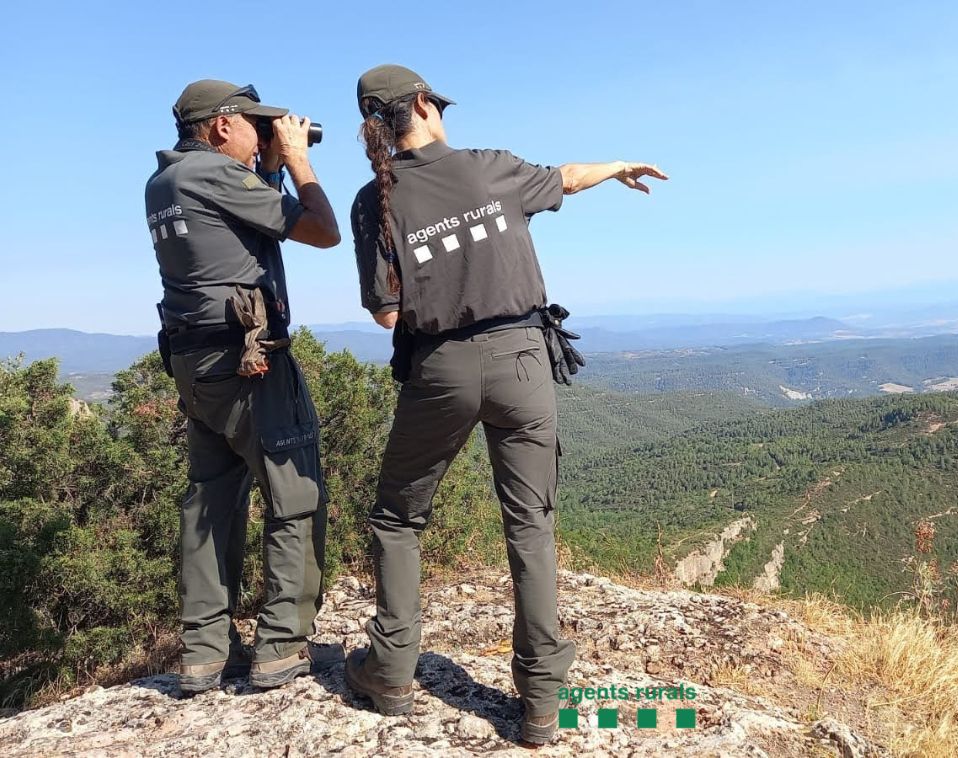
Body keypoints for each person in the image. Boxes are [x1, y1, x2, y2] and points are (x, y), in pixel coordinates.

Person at [343, 64, 666, 744]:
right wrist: (620, 166)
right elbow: (569, 176)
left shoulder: (375, 200)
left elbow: (385, 315)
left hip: (441, 367)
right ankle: (542, 701)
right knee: (530, 523)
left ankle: (393, 672)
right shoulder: (491, 167)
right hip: (523, 358)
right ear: (425, 105)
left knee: (399, 518)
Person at [144, 79, 341, 694]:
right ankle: (281, 645)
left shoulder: (167, 181)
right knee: (294, 491)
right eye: (257, 125)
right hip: (250, 362)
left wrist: (271, 166)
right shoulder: (212, 174)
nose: (266, 136)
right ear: (223, 125)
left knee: (211, 498)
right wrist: (300, 162)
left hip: (194, 364)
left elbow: (247, 231)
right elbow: (321, 229)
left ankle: (205, 651)